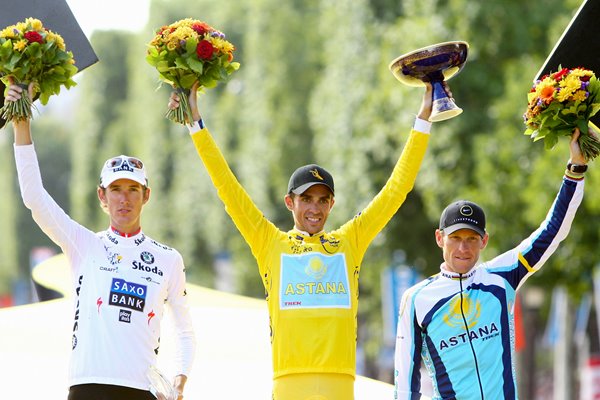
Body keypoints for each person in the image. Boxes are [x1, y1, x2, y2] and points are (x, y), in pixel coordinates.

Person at [168, 80, 442, 399]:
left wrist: (422, 120)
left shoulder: (349, 241)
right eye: (306, 199)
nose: (314, 208)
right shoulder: (270, 242)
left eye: (323, 200)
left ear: (332, 204)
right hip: (288, 383)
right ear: (290, 202)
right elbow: (227, 188)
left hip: (340, 384)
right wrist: (196, 126)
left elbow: (397, 189)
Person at [4, 81, 196, 400]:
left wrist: (178, 382)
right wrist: (21, 123)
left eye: (133, 189)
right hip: (88, 386)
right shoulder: (84, 244)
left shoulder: (168, 259)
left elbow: (185, 330)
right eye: (116, 190)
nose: (124, 199)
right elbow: (34, 198)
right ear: (102, 197)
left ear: (146, 195)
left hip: (142, 390)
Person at [393, 128, 588, 399]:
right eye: (455, 238)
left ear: (484, 241)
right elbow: (405, 378)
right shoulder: (416, 299)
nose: (463, 248)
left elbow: (552, 231)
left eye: (472, 239)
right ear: (440, 238)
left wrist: (575, 169)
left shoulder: (501, 277)